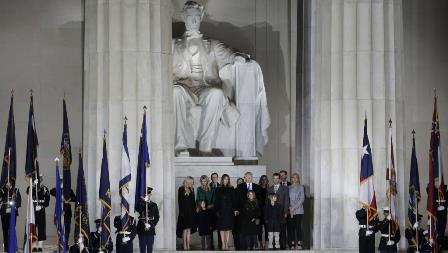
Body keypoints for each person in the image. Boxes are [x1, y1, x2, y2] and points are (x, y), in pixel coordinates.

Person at [172, 0, 249, 156]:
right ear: (183, 17)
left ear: (201, 18)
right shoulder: (173, 45)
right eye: (189, 16)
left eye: (196, 17)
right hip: (183, 88)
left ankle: (205, 148)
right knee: (175, 92)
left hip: (204, 88)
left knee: (217, 94)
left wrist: (238, 57)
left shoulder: (212, 45)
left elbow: (230, 53)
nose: (193, 20)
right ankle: (180, 145)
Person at [235, 172, 263, 249]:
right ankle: (245, 246)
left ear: (252, 178)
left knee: (254, 232)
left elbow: (259, 201)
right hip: (243, 214)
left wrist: (256, 215)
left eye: (250, 177)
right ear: (244, 178)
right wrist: (236, 209)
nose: (248, 178)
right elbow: (237, 199)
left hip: (254, 214)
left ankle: (254, 246)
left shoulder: (257, 187)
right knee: (244, 231)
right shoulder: (240, 186)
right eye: (246, 177)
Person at [26, 174, 50, 252]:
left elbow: (47, 202)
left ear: (41, 179)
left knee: (42, 228)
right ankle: (33, 245)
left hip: (41, 212)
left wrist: (42, 207)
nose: (38, 180)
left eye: (39, 179)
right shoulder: (30, 188)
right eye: (37, 179)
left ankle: (40, 246)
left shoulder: (45, 189)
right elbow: (28, 193)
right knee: (33, 228)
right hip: (33, 213)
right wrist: (33, 186)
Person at [51, 178, 76, 249]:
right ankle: (60, 244)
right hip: (59, 212)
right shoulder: (57, 190)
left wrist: (68, 198)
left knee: (67, 229)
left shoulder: (69, 190)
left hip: (67, 212)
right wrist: (59, 188)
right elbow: (51, 191)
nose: (61, 182)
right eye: (60, 180)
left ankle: (66, 243)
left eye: (62, 180)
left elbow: (75, 198)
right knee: (59, 228)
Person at [267, 173, 289, 249]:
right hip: (272, 214)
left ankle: (282, 245)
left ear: (279, 179)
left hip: (281, 212)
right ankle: (272, 245)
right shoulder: (269, 188)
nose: (275, 179)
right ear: (272, 179)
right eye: (274, 178)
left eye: (277, 178)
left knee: (282, 229)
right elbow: (267, 202)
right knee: (272, 230)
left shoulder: (285, 188)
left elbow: (286, 201)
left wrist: (286, 212)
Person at [214, 174, 236, 250]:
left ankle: (227, 243)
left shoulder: (231, 188)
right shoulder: (218, 189)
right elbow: (216, 201)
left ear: (228, 180)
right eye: (224, 179)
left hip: (229, 211)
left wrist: (234, 210)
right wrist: (217, 211)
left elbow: (234, 200)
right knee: (222, 228)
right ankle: (223, 244)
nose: (226, 180)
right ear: (222, 180)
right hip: (221, 211)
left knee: (228, 228)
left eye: (227, 179)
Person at [136, 187, 159, 253]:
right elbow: (138, 209)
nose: (147, 196)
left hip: (150, 229)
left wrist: (152, 224)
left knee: (149, 249)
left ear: (150, 195)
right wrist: (143, 202)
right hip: (142, 229)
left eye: (148, 195)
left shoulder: (154, 205)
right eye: (146, 195)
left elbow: (157, 217)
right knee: (142, 249)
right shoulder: (140, 204)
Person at [0, 182, 21, 252]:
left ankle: (12, 247)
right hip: (4, 213)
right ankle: (6, 248)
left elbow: (19, 201)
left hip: (12, 213)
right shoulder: (2, 190)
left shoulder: (16, 190)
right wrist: (5, 189)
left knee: (11, 230)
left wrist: (13, 208)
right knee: (5, 231)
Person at [177, 176, 196, 250]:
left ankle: (188, 244)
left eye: (192, 182)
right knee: (184, 229)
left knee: (189, 229)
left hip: (191, 212)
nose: (191, 183)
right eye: (190, 182)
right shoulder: (181, 189)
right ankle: (184, 245)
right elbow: (180, 201)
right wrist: (181, 212)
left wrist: (194, 211)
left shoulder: (192, 189)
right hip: (184, 213)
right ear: (187, 181)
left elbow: (193, 201)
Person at [288, 173, 305, 250]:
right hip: (290, 210)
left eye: (296, 178)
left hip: (298, 210)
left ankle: (299, 242)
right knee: (291, 227)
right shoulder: (288, 187)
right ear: (291, 179)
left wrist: (294, 207)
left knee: (298, 227)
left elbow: (302, 199)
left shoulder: (301, 187)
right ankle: (292, 243)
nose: (294, 179)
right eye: (293, 177)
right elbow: (286, 199)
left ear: (298, 179)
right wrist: (289, 207)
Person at [209, 172, 221, 250]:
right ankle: (211, 244)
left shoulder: (220, 186)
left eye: (215, 177)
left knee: (219, 228)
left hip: (219, 211)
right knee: (210, 228)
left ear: (217, 178)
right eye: (213, 177)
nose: (214, 178)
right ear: (211, 178)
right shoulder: (208, 186)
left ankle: (220, 243)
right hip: (210, 211)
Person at [258, 175, 269, 249]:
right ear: (261, 180)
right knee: (259, 228)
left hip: (267, 211)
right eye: (263, 179)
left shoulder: (269, 188)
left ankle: (266, 244)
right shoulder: (258, 188)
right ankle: (260, 243)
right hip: (259, 210)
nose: (264, 180)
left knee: (267, 228)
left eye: (265, 179)